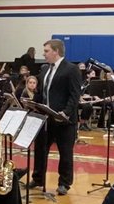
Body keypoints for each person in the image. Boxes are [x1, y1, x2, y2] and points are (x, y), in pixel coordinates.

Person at [33, 39, 82, 195]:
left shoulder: (71, 69)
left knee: (65, 152)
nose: (44, 54)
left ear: (56, 51)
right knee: (41, 149)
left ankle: (64, 183)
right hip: (46, 118)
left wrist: (65, 113)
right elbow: (42, 92)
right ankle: (38, 177)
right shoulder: (45, 69)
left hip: (64, 120)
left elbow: (75, 95)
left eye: (46, 51)